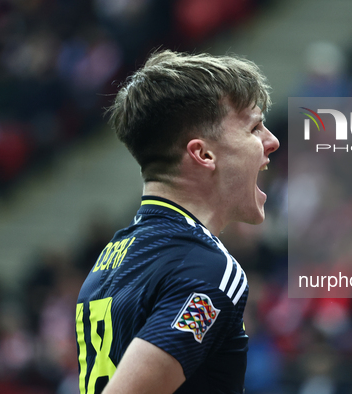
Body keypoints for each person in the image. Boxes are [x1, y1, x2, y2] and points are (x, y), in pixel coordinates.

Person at [75, 49, 279, 394]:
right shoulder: (208, 270)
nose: (271, 141)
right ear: (203, 154)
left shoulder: (113, 256)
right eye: (254, 127)